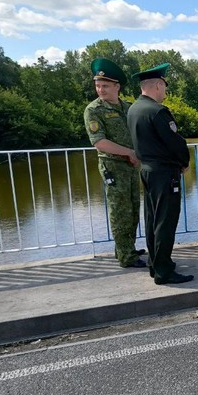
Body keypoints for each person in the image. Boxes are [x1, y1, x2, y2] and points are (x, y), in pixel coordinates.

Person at [127, 63, 193, 285]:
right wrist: (184, 161)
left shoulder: (134, 108)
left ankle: (155, 263)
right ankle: (164, 271)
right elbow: (175, 143)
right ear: (157, 85)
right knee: (165, 221)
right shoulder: (157, 111)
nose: (165, 91)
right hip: (164, 173)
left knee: (152, 219)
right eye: (164, 86)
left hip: (147, 170)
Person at [83, 58, 145, 269]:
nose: (100, 90)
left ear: (117, 86)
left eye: (105, 86)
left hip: (131, 166)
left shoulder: (127, 107)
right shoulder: (93, 110)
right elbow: (99, 142)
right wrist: (129, 152)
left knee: (134, 209)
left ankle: (128, 248)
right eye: (98, 85)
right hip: (113, 167)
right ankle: (126, 257)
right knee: (120, 211)